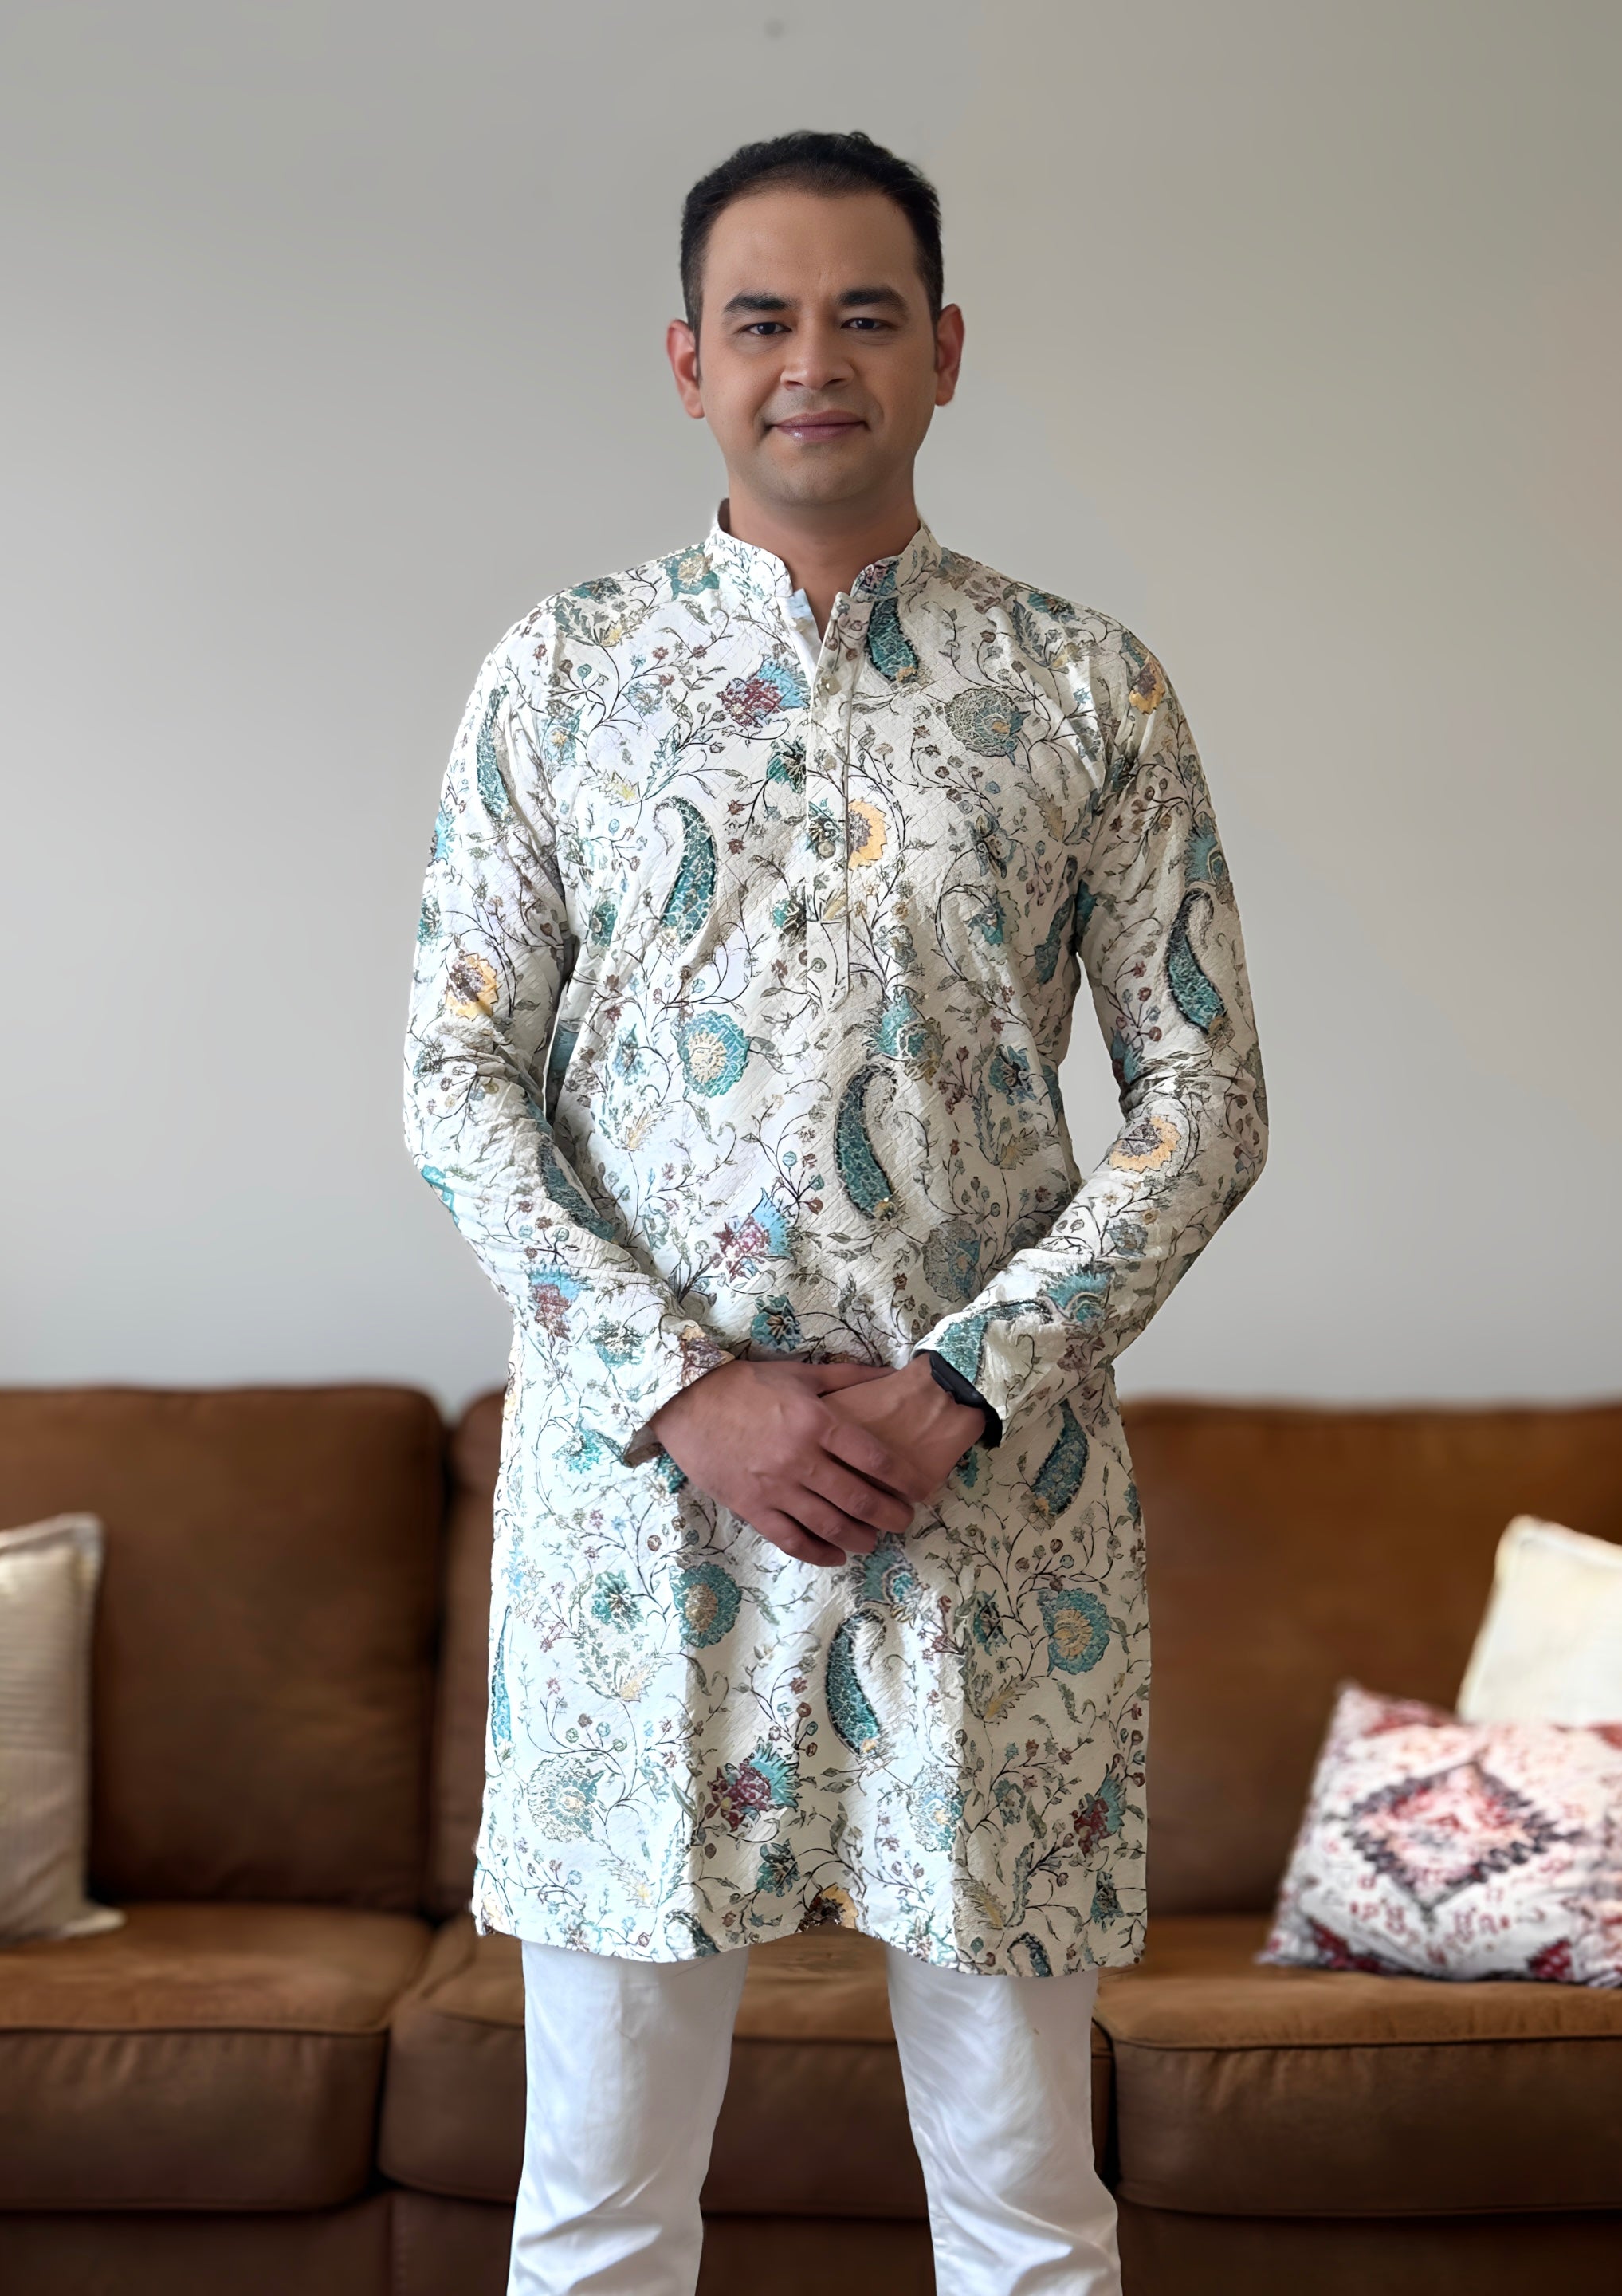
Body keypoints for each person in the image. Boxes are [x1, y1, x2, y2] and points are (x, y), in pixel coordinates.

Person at [403, 127, 1267, 2296]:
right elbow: (455, 1077)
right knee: (601, 2209)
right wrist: (681, 1388)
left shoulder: (1089, 685)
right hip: (642, 1533)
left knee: (1025, 2204)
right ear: (688, 361)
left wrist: (971, 1378)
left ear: (947, 352)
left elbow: (1204, 1092)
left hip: (986, 1524)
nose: (817, 362)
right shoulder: (562, 675)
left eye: (867, 315)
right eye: (766, 321)